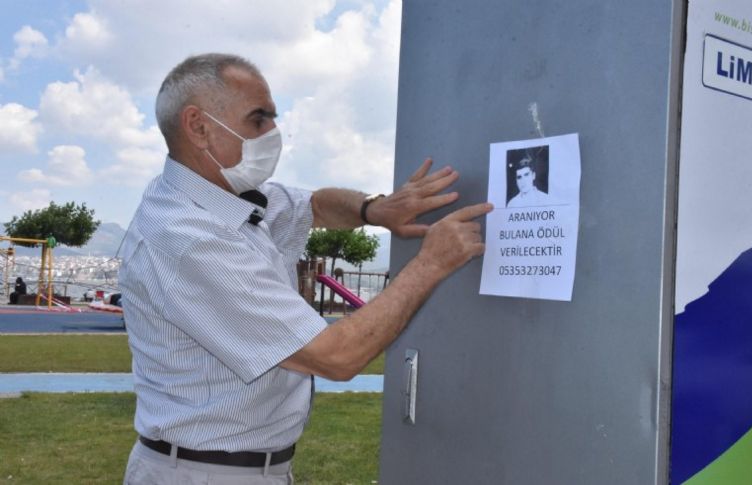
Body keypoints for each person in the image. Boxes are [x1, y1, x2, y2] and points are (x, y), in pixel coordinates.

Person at [119, 53, 492, 484]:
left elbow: (312, 205)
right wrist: (430, 265)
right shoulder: (187, 238)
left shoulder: (219, 197)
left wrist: (376, 210)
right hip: (206, 473)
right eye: (258, 120)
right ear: (198, 126)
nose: (273, 134)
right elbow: (336, 357)